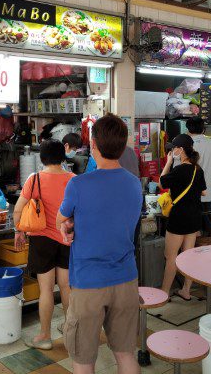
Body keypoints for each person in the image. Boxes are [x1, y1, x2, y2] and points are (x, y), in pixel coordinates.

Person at [56, 114, 142, 374]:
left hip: (88, 282)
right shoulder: (134, 183)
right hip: (126, 278)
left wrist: (68, 225)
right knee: (126, 354)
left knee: (84, 359)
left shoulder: (78, 184)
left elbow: (62, 217)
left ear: (93, 145)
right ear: (123, 145)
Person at [13, 139, 73, 350]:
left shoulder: (34, 180)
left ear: (42, 158)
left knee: (46, 289)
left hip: (41, 240)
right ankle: (69, 331)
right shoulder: (74, 180)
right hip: (67, 239)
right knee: (66, 287)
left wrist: (19, 230)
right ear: (63, 156)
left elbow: (18, 210)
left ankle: (45, 336)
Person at [158, 134, 207, 301]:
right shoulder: (197, 169)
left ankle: (164, 293)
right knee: (188, 256)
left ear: (180, 150)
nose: (172, 151)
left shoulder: (178, 170)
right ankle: (186, 290)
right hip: (194, 217)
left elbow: (161, 182)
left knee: (171, 256)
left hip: (178, 218)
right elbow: (203, 191)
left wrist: (168, 163)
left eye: (174, 148)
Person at [184, 116, 211, 243]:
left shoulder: (185, 145)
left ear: (188, 129)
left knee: (194, 229)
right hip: (210, 194)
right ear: (204, 129)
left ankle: (197, 259)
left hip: (190, 195)